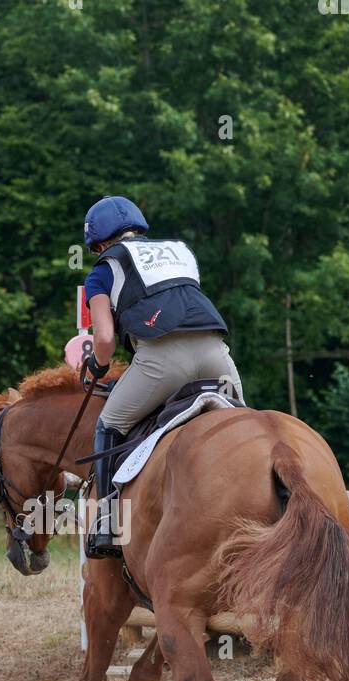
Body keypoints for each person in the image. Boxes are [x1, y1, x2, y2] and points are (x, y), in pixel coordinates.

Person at [81, 195, 243, 558]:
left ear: (100, 243)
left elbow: (104, 339)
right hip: (216, 355)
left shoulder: (104, 269)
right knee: (245, 427)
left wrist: (99, 366)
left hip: (161, 360)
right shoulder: (181, 252)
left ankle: (108, 524)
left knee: (109, 423)